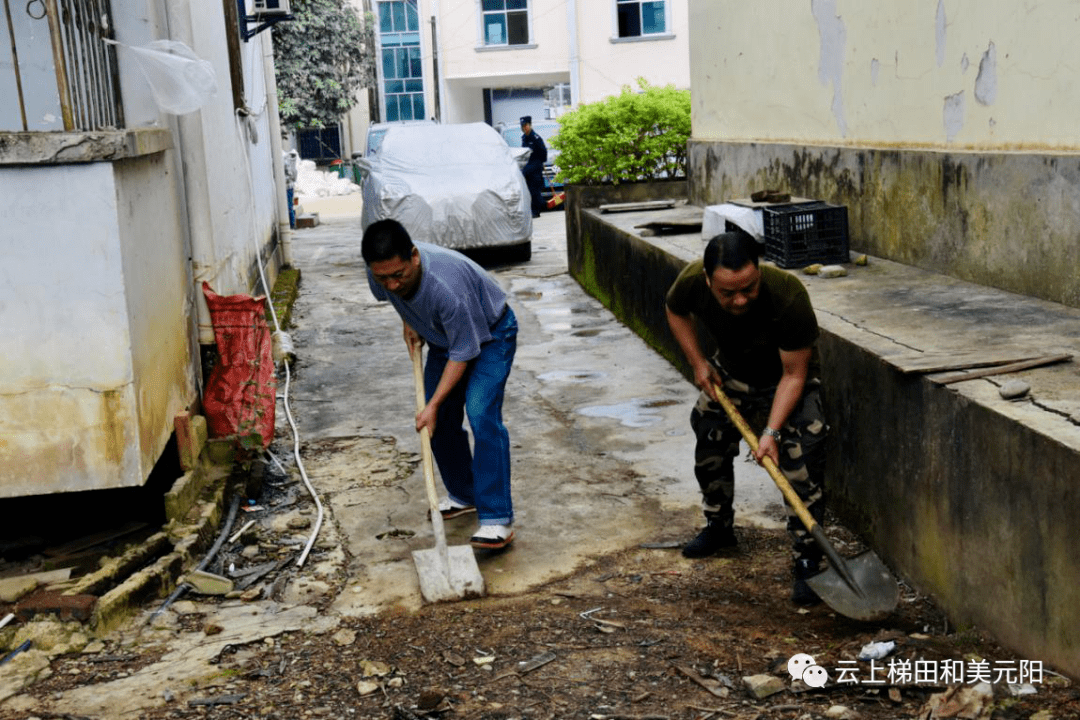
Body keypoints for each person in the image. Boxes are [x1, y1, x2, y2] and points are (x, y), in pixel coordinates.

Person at [665, 229, 829, 605]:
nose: (740, 300)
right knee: (709, 428)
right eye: (727, 293)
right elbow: (675, 310)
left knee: (801, 456)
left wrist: (770, 432)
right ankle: (718, 525)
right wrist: (698, 361)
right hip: (733, 372)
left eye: (749, 288)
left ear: (759, 271)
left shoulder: (787, 296)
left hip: (785, 380)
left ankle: (808, 556)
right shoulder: (691, 281)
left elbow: (795, 375)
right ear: (708, 281)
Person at [361, 219, 519, 550]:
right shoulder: (381, 272)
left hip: (492, 335)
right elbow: (395, 294)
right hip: (445, 341)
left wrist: (432, 403)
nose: (390, 284)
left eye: (398, 276)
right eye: (382, 278)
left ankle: (496, 518)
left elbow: (464, 353)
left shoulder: (446, 286)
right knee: (441, 422)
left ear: (414, 256)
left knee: (479, 413)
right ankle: (464, 494)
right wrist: (409, 319)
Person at [519, 115, 547, 218]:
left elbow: (543, 153)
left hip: (535, 169)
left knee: (535, 191)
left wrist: (537, 164)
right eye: (523, 126)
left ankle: (536, 211)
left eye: (526, 125)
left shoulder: (536, 138)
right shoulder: (524, 138)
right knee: (528, 191)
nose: (524, 128)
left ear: (530, 125)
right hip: (527, 169)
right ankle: (531, 210)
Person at [283, 145, 298, 229]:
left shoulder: (285, 161)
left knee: (289, 206)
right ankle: (292, 224)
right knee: (290, 206)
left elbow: (291, 175)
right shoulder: (288, 162)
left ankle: (292, 224)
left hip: (287, 187)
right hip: (289, 187)